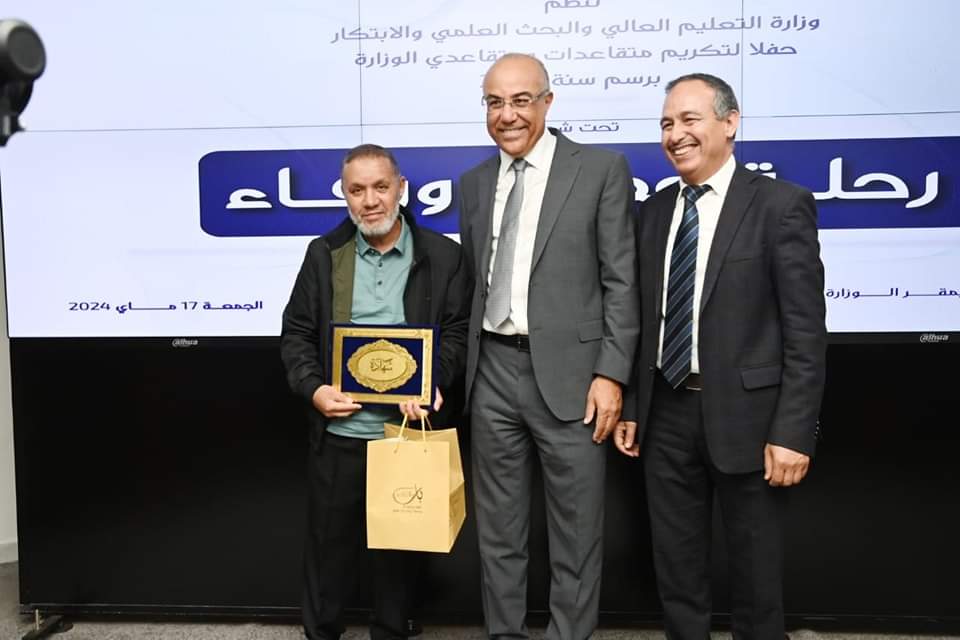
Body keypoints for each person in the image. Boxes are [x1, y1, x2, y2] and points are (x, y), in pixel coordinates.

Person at [615, 73, 827, 639]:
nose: (675, 134)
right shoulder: (654, 211)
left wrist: (794, 432)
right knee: (677, 569)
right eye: (666, 123)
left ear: (730, 123)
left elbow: (805, 332)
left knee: (756, 575)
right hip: (665, 412)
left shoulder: (780, 206)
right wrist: (633, 404)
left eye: (690, 119)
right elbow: (643, 318)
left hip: (750, 419)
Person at [459, 53, 639, 640]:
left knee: (576, 532)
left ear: (548, 102)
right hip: (491, 372)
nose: (507, 114)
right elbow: (474, 281)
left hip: (574, 378)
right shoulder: (473, 182)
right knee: (498, 532)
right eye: (494, 102)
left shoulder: (601, 170)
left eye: (520, 100)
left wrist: (611, 374)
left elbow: (621, 281)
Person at [280, 144, 470, 640]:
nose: (370, 201)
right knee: (328, 553)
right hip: (340, 431)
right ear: (344, 195)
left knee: (399, 553)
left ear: (401, 188)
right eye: (357, 190)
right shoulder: (324, 254)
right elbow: (297, 333)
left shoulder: (444, 255)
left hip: (404, 432)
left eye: (380, 187)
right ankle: (321, 633)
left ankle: (392, 631)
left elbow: (457, 332)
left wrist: (432, 382)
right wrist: (314, 389)